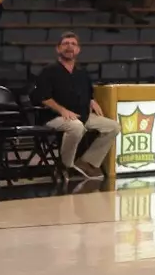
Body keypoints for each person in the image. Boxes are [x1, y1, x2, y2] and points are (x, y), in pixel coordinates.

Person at [35, 32, 120, 179]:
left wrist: (92, 100)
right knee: (76, 126)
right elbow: (43, 97)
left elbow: (88, 91)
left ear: (78, 50)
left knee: (113, 127)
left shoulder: (81, 72)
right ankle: (66, 166)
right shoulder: (49, 71)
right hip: (54, 116)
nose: (69, 47)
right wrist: (62, 110)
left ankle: (87, 162)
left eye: (73, 44)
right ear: (58, 49)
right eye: (66, 44)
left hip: (82, 115)